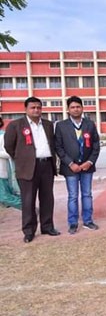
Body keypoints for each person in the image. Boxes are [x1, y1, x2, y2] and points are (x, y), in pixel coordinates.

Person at [4, 97, 60, 243]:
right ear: (26, 109)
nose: (36, 110)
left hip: (46, 165)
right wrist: (22, 159)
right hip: (27, 168)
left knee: (47, 198)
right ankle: (29, 231)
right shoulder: (16, 125)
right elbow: (9, 146)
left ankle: (47, 226)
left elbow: (52, 144)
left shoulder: (48, 124)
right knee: (28, 200)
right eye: (33, 107)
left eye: (38, 107)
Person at [55, 96, 100, 235]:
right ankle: (73, 222)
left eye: (78, 107)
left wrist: (89, 162)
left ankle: (88, 220)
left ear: (82, 108)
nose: (76, 109)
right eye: (72, 107)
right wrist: (70, 163)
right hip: (71, 168)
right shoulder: (61, 126)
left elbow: (96, 145)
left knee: (87, 194)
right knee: (73, 196)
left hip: (87, 166)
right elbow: (58, 147)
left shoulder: (90, 124)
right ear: (68, 109)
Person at [0, 117, 21, 209]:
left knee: (4, 197)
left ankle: (27, 207)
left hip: (2, 172)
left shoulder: (3, 136)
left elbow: (9, 153)